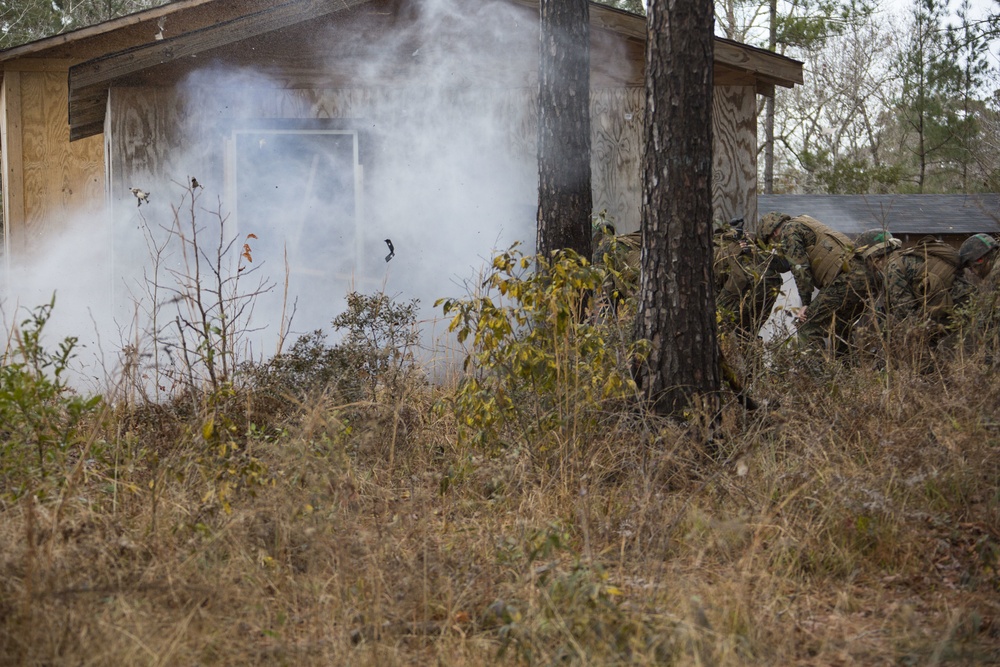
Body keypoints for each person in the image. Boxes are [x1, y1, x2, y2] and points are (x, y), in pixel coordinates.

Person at [757, 211, 870, 355]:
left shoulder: (788, 232)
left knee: (807, 326)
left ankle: (817, 374)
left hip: (846, 280)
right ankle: (847, 371)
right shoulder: (802, 223)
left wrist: (806, 303)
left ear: (772, 234)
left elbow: (799, 268)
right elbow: (786, 264)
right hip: (863, 275)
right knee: (840, 327)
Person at [714, 217, 789, 341]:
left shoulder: (740, 247)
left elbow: (739, 279)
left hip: (752, 286)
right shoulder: (748, 244)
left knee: (726, 331)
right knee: (746, 334)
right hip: (765, 286)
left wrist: (719, 308)